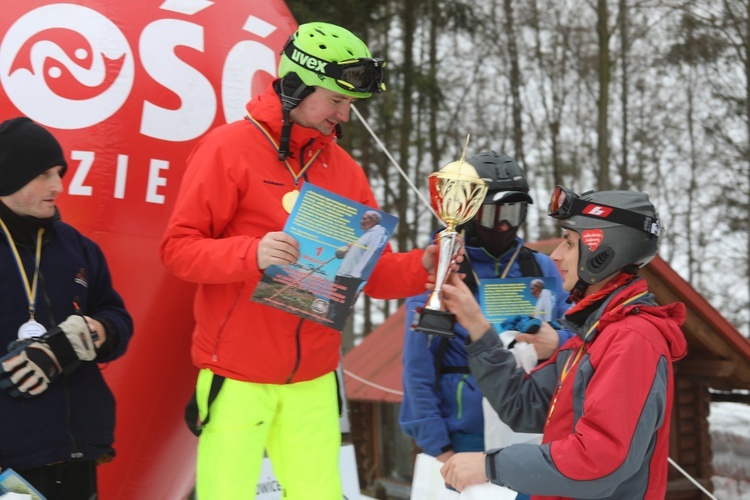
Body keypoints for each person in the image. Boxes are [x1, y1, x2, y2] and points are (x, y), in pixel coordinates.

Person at [160, 22, 441, 500]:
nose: (345, 116)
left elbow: (370, 273)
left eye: (350, 105)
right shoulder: (229, 149)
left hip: (313, 377)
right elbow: (178, 250)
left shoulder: (346, 171)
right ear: (297, 86)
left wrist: (425, 266)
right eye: (336, 101)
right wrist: (252, 253)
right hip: (237, 373)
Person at [438, 186, 688, 499]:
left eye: (568, 243)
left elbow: (600, 460)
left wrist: (491, 466)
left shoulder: (632, 340)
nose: (556, 255)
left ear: (604, 251)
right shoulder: (594, 336)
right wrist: (476, 324)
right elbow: (523, 405)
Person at [399, 151, 569, 500]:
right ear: (468, 211)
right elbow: (417, 372)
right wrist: (440, 451)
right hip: (465, 442)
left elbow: (578, 339)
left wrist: (558, 339)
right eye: (494, 214)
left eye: (514, 213)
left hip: (531, 436)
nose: (505, 226)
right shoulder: (442, 272)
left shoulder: (541, 268)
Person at [0, 116, 134, 499]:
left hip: (75, 453)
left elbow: (116, 315)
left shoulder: (77, 247)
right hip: (11, 463)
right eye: (44, 174)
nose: (58, 186)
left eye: (59, 173)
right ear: (9, 176)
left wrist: (95, 333)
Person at [327, 210, 389, 330]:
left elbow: (371, 253)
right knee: (335, 303)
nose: (361, 221)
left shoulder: (378, 233)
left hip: (351, 276)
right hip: (344, 274)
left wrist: (356, 273)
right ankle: (329, 323)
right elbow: (357, 254)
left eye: (365, 219)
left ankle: (332, 327)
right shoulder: (367, 234)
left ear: (374, 220)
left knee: (340, 305)